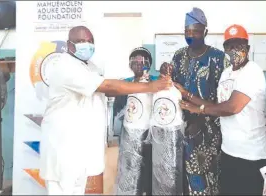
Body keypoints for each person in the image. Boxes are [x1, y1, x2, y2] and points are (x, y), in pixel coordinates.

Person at [39, 26, 171, 195]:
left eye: (89, 41)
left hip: (79, 145)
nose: (86, 45)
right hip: (63, 145)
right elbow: (106, 86)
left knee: (77, 189)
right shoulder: (65, 67)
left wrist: (144, 84)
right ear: (68, 44)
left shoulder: (89, 67)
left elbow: (106, 89)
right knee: (64, 189)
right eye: (80, 41)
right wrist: (150, 86)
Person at [179, 24, 266, 195]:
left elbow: (232, 107)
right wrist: (186, 95)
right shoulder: (226, 73)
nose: (234, 50)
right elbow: (215, 105)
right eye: (230, 46)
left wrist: (199, 109)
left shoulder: (252, 71)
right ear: (225, 49)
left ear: (248, 48)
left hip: (253, 154)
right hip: (229, 151)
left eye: (239, 46)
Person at [161, 7, 230, 195]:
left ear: (205, 32)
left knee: (207, 179)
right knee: (181, 178)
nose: (191, 36)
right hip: (181, 126)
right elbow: (171, 85)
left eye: (196, 31)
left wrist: (201, 116)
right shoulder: (178, 55)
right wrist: (164, 71)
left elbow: (225, 99)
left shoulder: (218, 58)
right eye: (187, 31)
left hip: (209, 130)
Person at [114, 47, 157, 195]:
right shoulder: (124, 85)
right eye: (135, 61)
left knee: (149, 175)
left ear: (149, 65)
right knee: (131, 175)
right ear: (130, 65)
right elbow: (118, 114)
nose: (139, 64)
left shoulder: (155, 84)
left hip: (150, 139)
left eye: (143, 61)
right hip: (129, 138)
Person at [150, 62, 185, 195]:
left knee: (172, 168)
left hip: (173, 135)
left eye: (169, 70)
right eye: (164, 69)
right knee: (159, 168)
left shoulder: (176, 91)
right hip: (158, 133)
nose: (167, 72)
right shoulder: (156, 91)